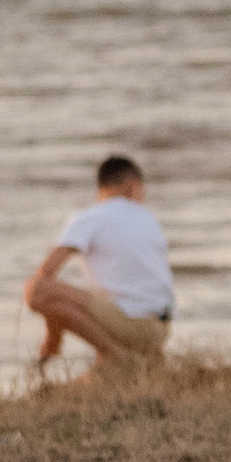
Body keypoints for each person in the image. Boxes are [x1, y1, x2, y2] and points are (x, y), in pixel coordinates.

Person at [24, 154, 175, 370]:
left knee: (35, 289)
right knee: (93, 386)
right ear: (133, 186)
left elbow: (46, 271)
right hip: (159, 329)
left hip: (129, 323)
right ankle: (130, 361)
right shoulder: (148, 219)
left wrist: (52, 337)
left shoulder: (91, 217)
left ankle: (113, 354)